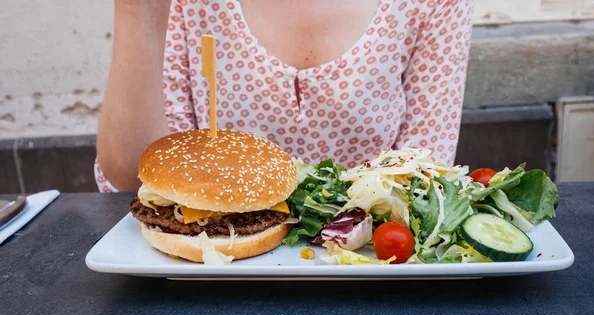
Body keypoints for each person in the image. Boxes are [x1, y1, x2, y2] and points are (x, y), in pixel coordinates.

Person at [96, 0, 473, 192]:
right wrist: (138, 9)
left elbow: (426, 172)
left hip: (370, 280)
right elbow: (137, 178)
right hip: (213, 281)